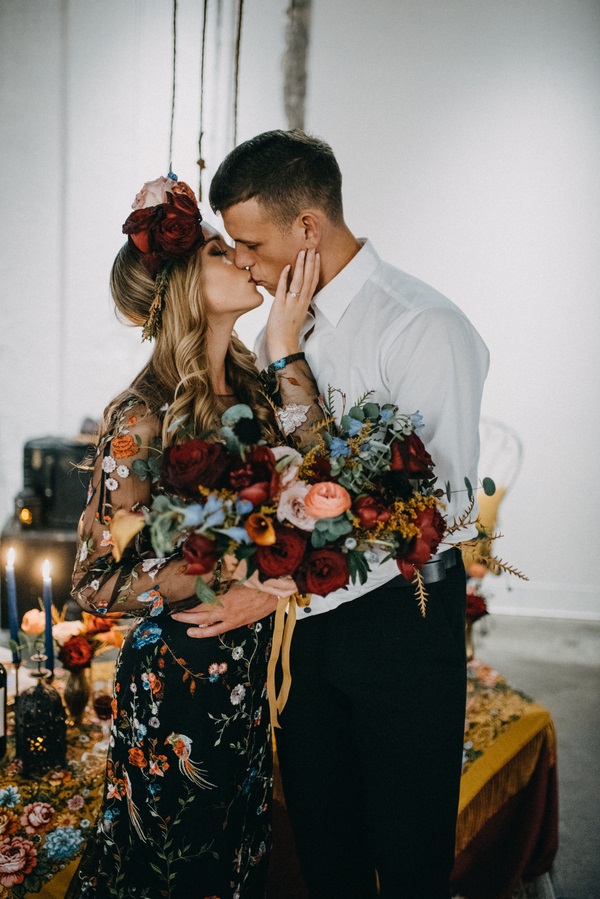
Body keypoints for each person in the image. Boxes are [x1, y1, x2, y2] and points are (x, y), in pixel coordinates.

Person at [174, 130, 490, 899]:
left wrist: (278, 588)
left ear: (308, 227)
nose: (241, 262)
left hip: (401, 626)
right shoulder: (282, 324)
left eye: (249, 244)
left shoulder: (422, 325)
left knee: (410, 854)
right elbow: (287, 478)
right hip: (304, 634)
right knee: (325, 844)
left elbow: (434, 510)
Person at [66, 173, 324, 899]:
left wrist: (285, 344)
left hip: (249, 674)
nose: (245, 259)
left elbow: (324, 468)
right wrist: (227, 571)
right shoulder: (139, 416)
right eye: (221, 250)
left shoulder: (258, 388)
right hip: (174, 682)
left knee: (238, 859)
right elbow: (96, 581)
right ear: (183, 281)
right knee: (174, 870)